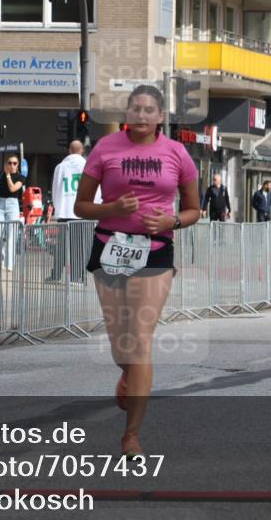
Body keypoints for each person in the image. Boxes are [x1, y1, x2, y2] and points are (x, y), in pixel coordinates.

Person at [73, 85, 200, 458]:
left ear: (160, 116)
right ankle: (128, 372)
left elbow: (194, 209)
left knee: (141, 341)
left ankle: (131, 436)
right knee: (121, 345)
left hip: (155, 251)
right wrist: (111, 208)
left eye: (149, 110)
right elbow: (81, 206)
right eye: (135, 109)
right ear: (127, 113)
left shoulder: (177, 153)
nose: (141, 115)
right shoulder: (105, 148)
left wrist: (173, 220)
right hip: (110, 247)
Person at [48, 140, 94, 283]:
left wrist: (58, 207)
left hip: (65, 211)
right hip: (83, 211)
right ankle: (77, 277)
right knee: (81, 246)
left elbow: (56, 188)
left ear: (69, 150)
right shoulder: (88, 165)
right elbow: (95, 189)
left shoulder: (60, 167)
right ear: (82, 151)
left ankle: (56, 275)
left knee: (61, 245)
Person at [0, 154, 25, 272]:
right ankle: (1, 261)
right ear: (6, 164)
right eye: (9, 163)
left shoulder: (21, 177)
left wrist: (8, 175)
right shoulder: (0, 174)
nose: (12, 165)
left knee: (12, 235)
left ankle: (9, 264)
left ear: (18, 164)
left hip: (12, 205)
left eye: (14, 163)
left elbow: (12, 189)